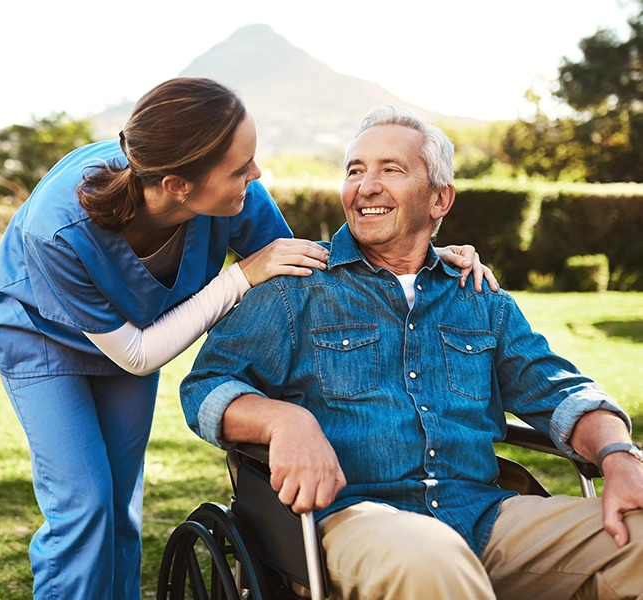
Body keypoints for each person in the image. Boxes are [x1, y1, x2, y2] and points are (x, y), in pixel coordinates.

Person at [0, 79, 494, 600]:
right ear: (180, 185)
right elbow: (137, 355)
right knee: (83, 508)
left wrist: (424, 257)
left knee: (119, 510)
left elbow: (317, 277)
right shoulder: (59, 230)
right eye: (240, 167)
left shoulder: (236, 194)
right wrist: (238, 277)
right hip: (45, 337)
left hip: (138, 332)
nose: (256, 173)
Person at [180, 105, 643, 599]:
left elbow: (562, 392)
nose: (367, 185)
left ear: (440, 199)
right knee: (431, 561)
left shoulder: (480, 298)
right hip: (351, 518)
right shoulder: (296, 289)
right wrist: (284, 421)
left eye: (391, 170)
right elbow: (205, 387)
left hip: (483, 515)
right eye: (355, 170)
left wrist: (619, 455)